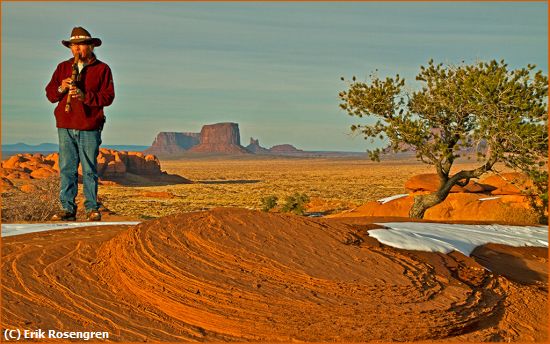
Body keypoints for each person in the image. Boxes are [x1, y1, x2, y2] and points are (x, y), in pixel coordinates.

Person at [45, 27, 114, 221]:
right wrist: (62, 87)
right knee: (67, 168)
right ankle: (67, 208)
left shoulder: (102, 69)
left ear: (91, 47)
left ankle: (92, 208)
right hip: (65, 125)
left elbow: (108, 97)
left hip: (90, 126)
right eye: (74, 46)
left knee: (89, 169)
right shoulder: (62, 68)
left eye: (81, 46)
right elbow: (50, 94)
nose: (77, 50)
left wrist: (86, 97)